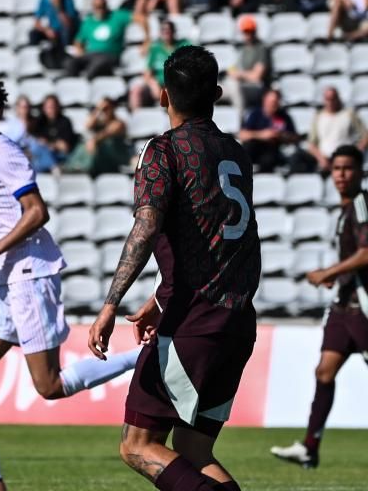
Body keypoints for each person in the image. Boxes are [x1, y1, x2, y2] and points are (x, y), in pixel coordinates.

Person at [0, 77, 140, 491]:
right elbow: (3, 223)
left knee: (49, 386)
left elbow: (36, 213)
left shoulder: (4, 154)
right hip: (9, 275)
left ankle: (143, 357)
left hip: (30, 274)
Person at [89, 45, 260, 491]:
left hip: (194, 323)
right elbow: (216, 238)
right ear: (218, 93)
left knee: (137, 445)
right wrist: (157, 297)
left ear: (164, 96)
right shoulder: (236, 154)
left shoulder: (164, 151)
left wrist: (111, 305)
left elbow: (145, 228)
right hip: (237, 322)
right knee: (193, 450)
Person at [270, 145, 368, 469]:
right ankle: (310, 447)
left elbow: (367, 253)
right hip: (344, 307)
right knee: (324, 372)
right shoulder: (346, 208)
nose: (341, 174)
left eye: (348, 168)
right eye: (337, 168)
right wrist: (337, 276)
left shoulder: (361, 204)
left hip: (362, 308)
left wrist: (329, 272)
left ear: (359, 171)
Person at [305, 87, 368, 174]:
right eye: (328, 99)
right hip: (325, 161)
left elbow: (365, 136)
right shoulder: (318, 117)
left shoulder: (349, 114)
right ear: (324, 100)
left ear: (338, 98)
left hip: (346, 160)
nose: (330, 102)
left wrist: (354, 153)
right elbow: (311, 144)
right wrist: (321, 159)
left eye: (333, 98)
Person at [68, 0, 132, 79]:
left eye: (102, 6)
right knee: (70, 63)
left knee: (96, 64)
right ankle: (74, 85)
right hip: (91, 53)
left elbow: (140, 18)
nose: (99, 9)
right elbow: (78, 40)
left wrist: (147, 39)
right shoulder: (88, 21)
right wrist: (80, 49)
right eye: (96, 6)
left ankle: (87, 84)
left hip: (110, 54)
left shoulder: (117, 16)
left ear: (106, 5)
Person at [238, 88, 302, 172]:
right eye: (271, 102)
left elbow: (295, 138)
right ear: (264, 100)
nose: (273, 105)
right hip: (255, 148)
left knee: (269, 158)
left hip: (274, 150)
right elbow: (242, 135)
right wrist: (262, 135)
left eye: (275, 102)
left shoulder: (284, 117)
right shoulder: (255, 114)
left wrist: (280, 135)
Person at [130, 19, 189, 110]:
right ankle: (137, 119)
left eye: (169, 30)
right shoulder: (155, 49)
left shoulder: (183, 46)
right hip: (159, 84)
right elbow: (147, 71)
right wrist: (153, 83)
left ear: (174, 31)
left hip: (176, 85)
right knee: (136, 91)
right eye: (163, 30)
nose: (166, 33)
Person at [64, 96, 129, 176]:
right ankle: (76, 167)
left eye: (106, 108)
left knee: (96, 145)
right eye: (102, 109)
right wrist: (97, 110)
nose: (104, 111)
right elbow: (87, 126)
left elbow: (107, 133)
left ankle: (85, 167)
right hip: (98, 153)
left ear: (113, 108)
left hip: (113, 154)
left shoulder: (119, 123)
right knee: (82, 146)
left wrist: (94, 140)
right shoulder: (99, 121)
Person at [29, 0, 80, 71]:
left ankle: (64, 55)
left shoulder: (68, 0)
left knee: (66, 31)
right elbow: (37, 22)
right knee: (33, 33)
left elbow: (68, 23)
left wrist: (58, 7)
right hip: (50, 31)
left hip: (64, 31)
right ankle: (32, 58)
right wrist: (46, 30)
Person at [227, 15, 271, 113]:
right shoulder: (243, 49)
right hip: (242, 84)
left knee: (234, 86)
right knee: (213, 90)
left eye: (250, 31)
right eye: (245, 32)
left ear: (254, 31)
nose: (248, 34)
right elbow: (233, 70)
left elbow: (256, 77)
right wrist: (236, 73)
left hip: (257, 87)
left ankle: (241, 120)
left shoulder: (261, 48)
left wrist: (239, 74)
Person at [29, 94, 79, 172]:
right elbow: (35, 143)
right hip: (44, 155)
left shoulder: (65, 121)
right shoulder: (40, 122)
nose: (50, 109)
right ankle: (53, 166)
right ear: (44, 108)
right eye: (48, 107)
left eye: (52, 106)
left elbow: (65, 147)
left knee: (38, 161)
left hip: (59, 155)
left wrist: (49, 144)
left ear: (58, 107)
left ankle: (52, 166)